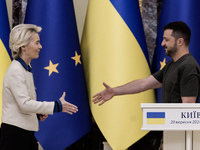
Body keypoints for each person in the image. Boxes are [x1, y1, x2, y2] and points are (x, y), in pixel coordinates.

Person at [0, 24, 78, 150]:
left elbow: (19, 105)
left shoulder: (24, 69)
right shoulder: (16, 70)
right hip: (15, 136)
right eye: (37, 43)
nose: (40, 47)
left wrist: (36, 113)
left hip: (23, 134)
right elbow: (24, 104)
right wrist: (56, 106)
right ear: (23, 46)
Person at [93, 21, 200, 105]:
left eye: (166, 40)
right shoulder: (171, 65)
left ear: (180, 42)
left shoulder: (188, 66)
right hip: (171, 129)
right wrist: (114, 91)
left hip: (182, 131)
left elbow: (188, 108)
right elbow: (143, 84)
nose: (162, 43)